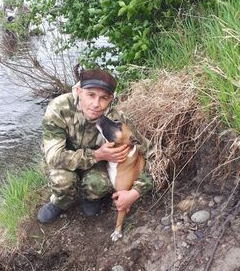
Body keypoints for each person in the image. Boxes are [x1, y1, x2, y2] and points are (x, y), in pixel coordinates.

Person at [37, 68, 153, 224]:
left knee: (98, 184)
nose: (96, 104)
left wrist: (135, 192)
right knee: (62, 181)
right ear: (79, 91)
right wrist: (98, 155)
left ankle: (90, 197)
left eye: (103, 98)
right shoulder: (59, 108)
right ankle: (60, 202)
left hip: (95, 166)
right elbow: (53, 157)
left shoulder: (115, 120)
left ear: (111, 99)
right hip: (65, 161)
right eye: (90, 95)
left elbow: (152, 153)